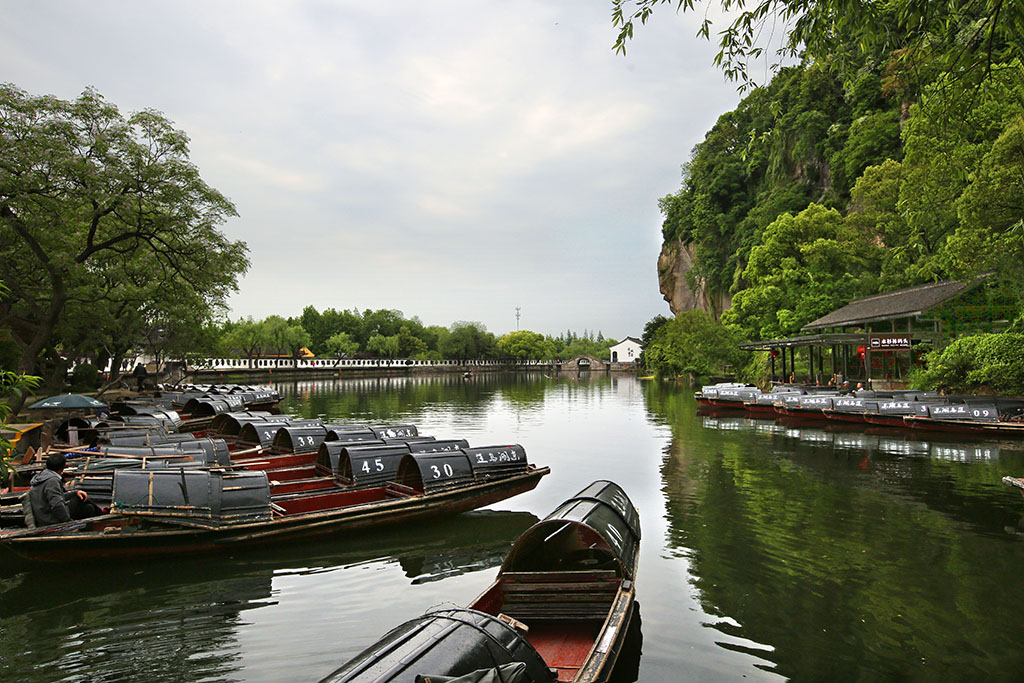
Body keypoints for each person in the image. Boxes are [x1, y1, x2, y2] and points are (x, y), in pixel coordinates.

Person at [29, 452, 102, 526]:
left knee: (89, 508)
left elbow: (59, 496)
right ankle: (101, 512)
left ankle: (90, 527)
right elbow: (57, 505)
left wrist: (75, 492)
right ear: (62, 467)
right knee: (80, 498)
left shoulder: (42, 476)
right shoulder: (52, 481)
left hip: (44, 515)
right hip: (50, 519)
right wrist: (68, 522)